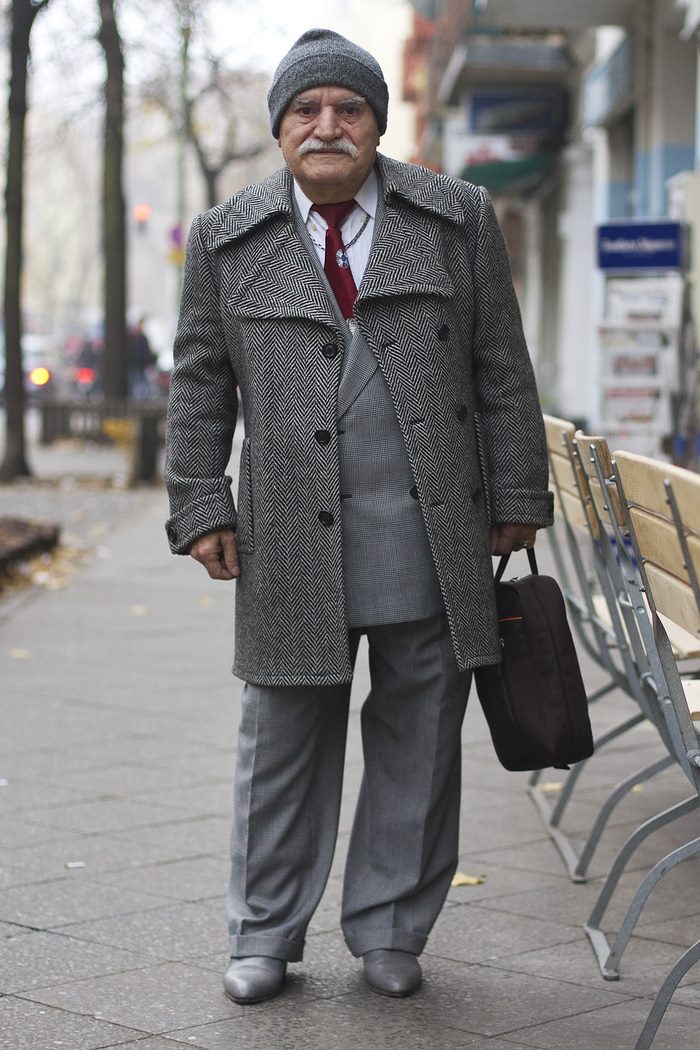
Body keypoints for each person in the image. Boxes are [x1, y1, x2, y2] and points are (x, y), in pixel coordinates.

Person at [165, 28, 553, 1006]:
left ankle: (391, 930)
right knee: (279, 739)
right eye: (306, 110)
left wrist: (517, 495)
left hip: (433, 527)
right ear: (280, 129)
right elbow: (200, 383)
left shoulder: (456, 217)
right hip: (288, 533)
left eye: (349, 108)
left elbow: (503, 370)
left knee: (420, 735)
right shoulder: (224, 236)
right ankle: (263, 933)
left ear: (377, 124)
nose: (327, 125)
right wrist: (200, 500)